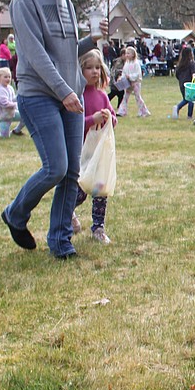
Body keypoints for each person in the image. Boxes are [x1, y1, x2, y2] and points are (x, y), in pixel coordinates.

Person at [1, 0, 87, 260]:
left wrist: (91, 40)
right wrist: (63, 90)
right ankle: (15, 213)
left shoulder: (66, 2)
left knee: (72, 172)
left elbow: (66, 52)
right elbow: (35, 54)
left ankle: (61, 242)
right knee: (56, 167)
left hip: (69, 96)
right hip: (40, 94)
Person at [73, 49, 117, 244]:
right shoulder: (77, 96)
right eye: (89, 68)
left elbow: (113, 118)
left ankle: (98, 227)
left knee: (100, 190)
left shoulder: (102, 95)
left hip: (99, 153)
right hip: (81, 152)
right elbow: (75, 123)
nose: (94, 72)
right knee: (80, 189)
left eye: (98, 67)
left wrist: (109, 118)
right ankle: (67, 212)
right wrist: (92, 119)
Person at [117, 46, 150, 117]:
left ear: (133, 54)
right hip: (128, 83)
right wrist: (122, 78)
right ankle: (122, 111)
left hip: (135, 83)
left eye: (128, 53)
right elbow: (124, 72)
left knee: (137, 97)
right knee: (125, 96)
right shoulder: (127, 63)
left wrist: (131, 76)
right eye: (126, 53)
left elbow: (138, 73)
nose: (127, 55)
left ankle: (143, 111)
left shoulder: (136, 63)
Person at [171, 46, 195, 120]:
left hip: (182, 84)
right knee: (190, 100)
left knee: (186, 99)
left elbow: (177, 74)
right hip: (190, 84)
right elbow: (194, 73)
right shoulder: (192, 63)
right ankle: (189, 115)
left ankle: (177, 107)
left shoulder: (180, 64)